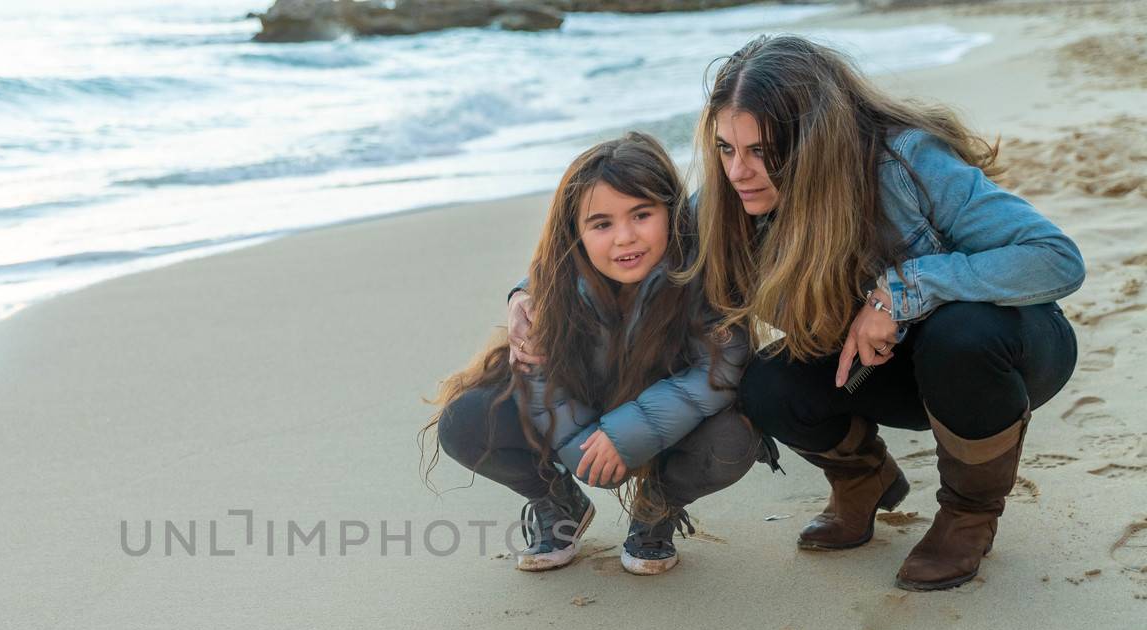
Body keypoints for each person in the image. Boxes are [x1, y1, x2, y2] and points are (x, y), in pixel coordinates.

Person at [691, 34, 1083, 590]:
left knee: (961, 332)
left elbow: (1056, 259)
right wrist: (527, 295)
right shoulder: (728, 200)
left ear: (815, 139)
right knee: (769, 384)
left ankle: (967, 515)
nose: (738, 172)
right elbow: (628, 250)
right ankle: (863, 481)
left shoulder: (905, 161)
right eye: (726, 148)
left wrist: (899, 292)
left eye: (762, 151)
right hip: (894, 372)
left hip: (1007, 355)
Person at [423, 132, 760, 575]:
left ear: (672, 211)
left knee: (737, 437)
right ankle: (559, 504)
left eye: (642, 214)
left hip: (669, 420)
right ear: (576, 232)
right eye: (601, 224)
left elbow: (722, 367)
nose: (624, 238)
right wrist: (580, 450)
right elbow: (541, 379)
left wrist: (628, 434)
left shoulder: (701, 271)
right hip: (582, 411)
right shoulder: (554, 289)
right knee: (464, 420)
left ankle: (656, 508)